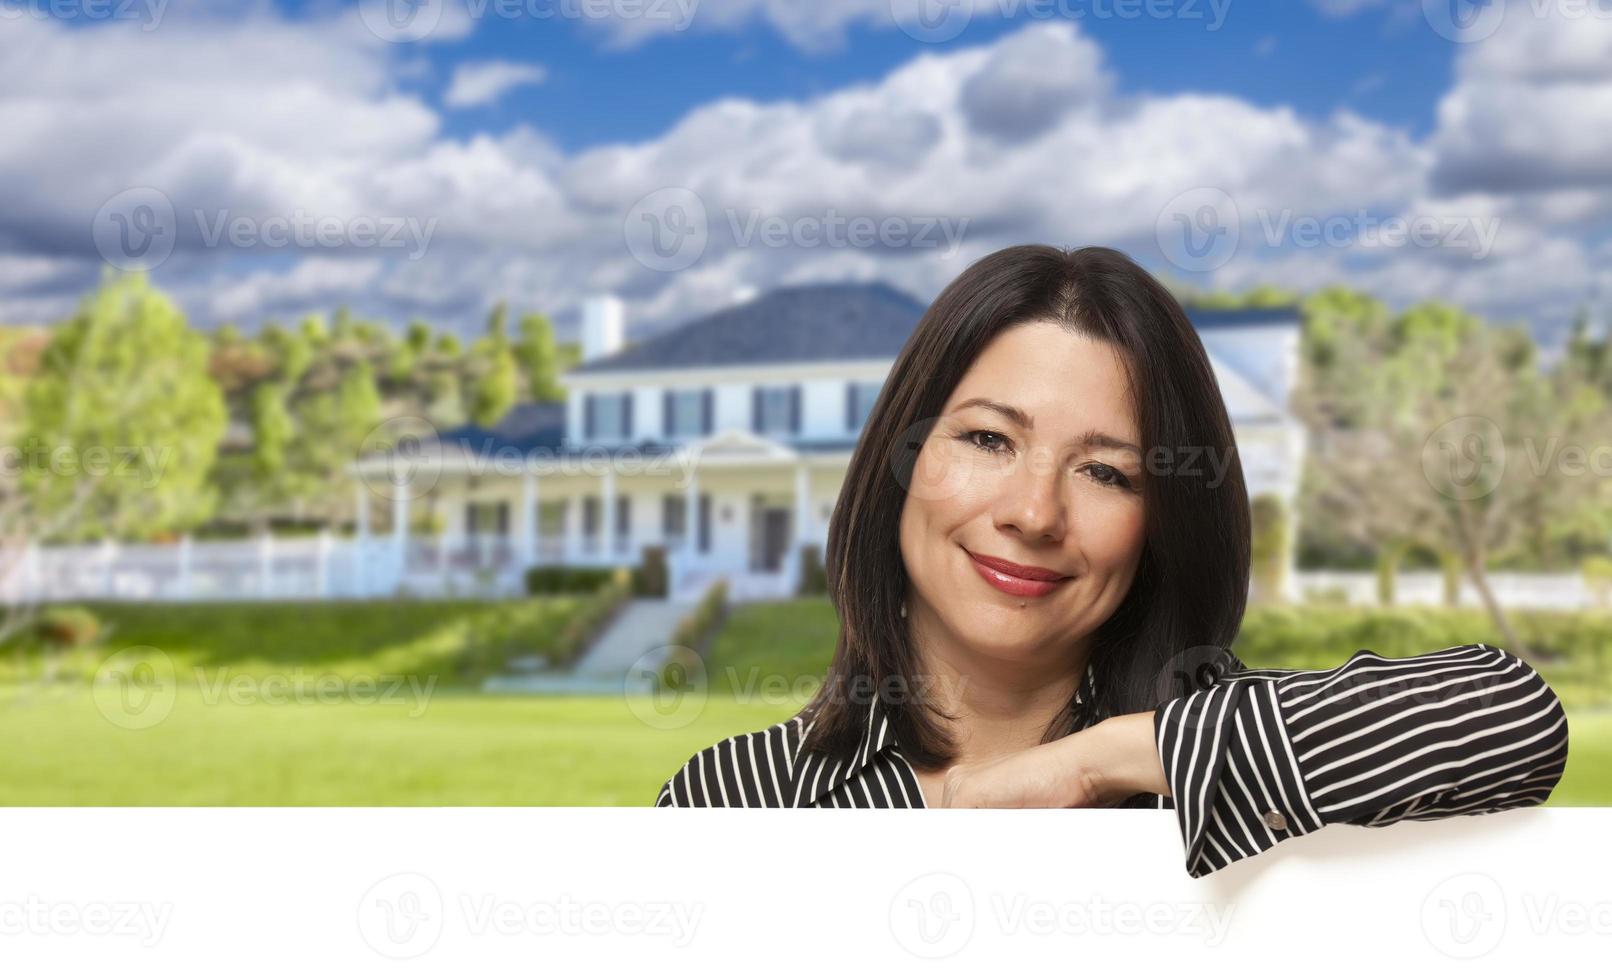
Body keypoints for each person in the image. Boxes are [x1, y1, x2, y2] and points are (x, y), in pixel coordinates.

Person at [653, 244, 1569, 879]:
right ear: (901, 461)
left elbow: (1510, 720)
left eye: (1104, 471)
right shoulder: (738, 802)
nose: (1033, 513)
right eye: (986, 439)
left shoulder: (1225, 770)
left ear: (1163, 517)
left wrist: (1098, 765)